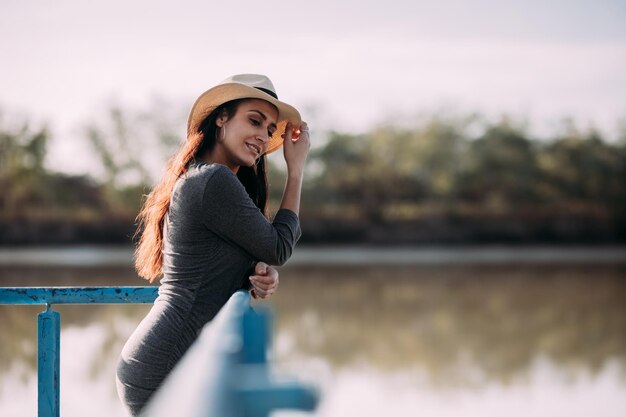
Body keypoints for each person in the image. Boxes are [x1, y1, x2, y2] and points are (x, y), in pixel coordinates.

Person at [116, 74, 310, 416]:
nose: (263, 136)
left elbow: (219, 259)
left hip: (163, 354)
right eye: (254, 121)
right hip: (165, 361)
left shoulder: (207, 178)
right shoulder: (213, 180)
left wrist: (253, 273)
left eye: (268, 129)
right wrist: (296, 173)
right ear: (221, 117)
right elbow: (278, 248)